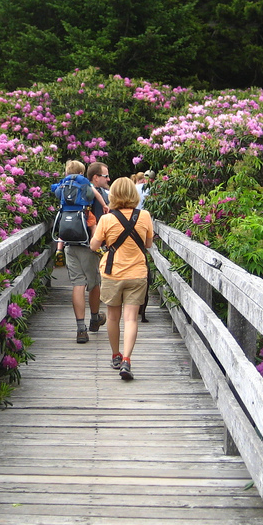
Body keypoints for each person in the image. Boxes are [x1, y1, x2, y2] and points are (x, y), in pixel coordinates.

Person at [90, 176, 154, 381]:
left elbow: (94, 246)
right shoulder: (144, 216)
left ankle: (116, 356)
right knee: (131, 318)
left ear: (114, 195)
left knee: (113, 317)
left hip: (112, 273)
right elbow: (149, 244)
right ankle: (127, 359)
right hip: (137, 273)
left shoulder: (107, 219)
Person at [55, 160, 108, 344]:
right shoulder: (87, 188)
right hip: (88, 243)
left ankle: (80, 329)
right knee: (93, 283)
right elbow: (96, 202)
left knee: (77, 284)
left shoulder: (64, 188)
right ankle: (94, 318)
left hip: (69, 242)